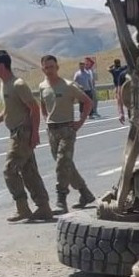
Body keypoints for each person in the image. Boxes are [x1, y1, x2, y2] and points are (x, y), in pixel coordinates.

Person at [0, 50, 53, 223]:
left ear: (1, 65)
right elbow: (9, 108)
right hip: (15, 132)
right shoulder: (4, 84)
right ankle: (43, 207)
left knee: (9, 171)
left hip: (22, 133)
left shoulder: (18, 84)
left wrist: (35, 133)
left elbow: (34, 108)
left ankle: (23, 208)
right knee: (29, 172)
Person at [38, 54, 97, 212]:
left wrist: (80, 122)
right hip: (52, 130)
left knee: (62, 164)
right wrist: (46, 118)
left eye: (52, 66)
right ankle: (85, 193)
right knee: (66, 165)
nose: (49, 70)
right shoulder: (42, 87)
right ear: (42, 68)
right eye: (46, 67)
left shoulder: (69, 85)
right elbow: (42, 104)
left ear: (57, 67)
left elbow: (88, 102)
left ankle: (61, 199)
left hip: (67, 129)